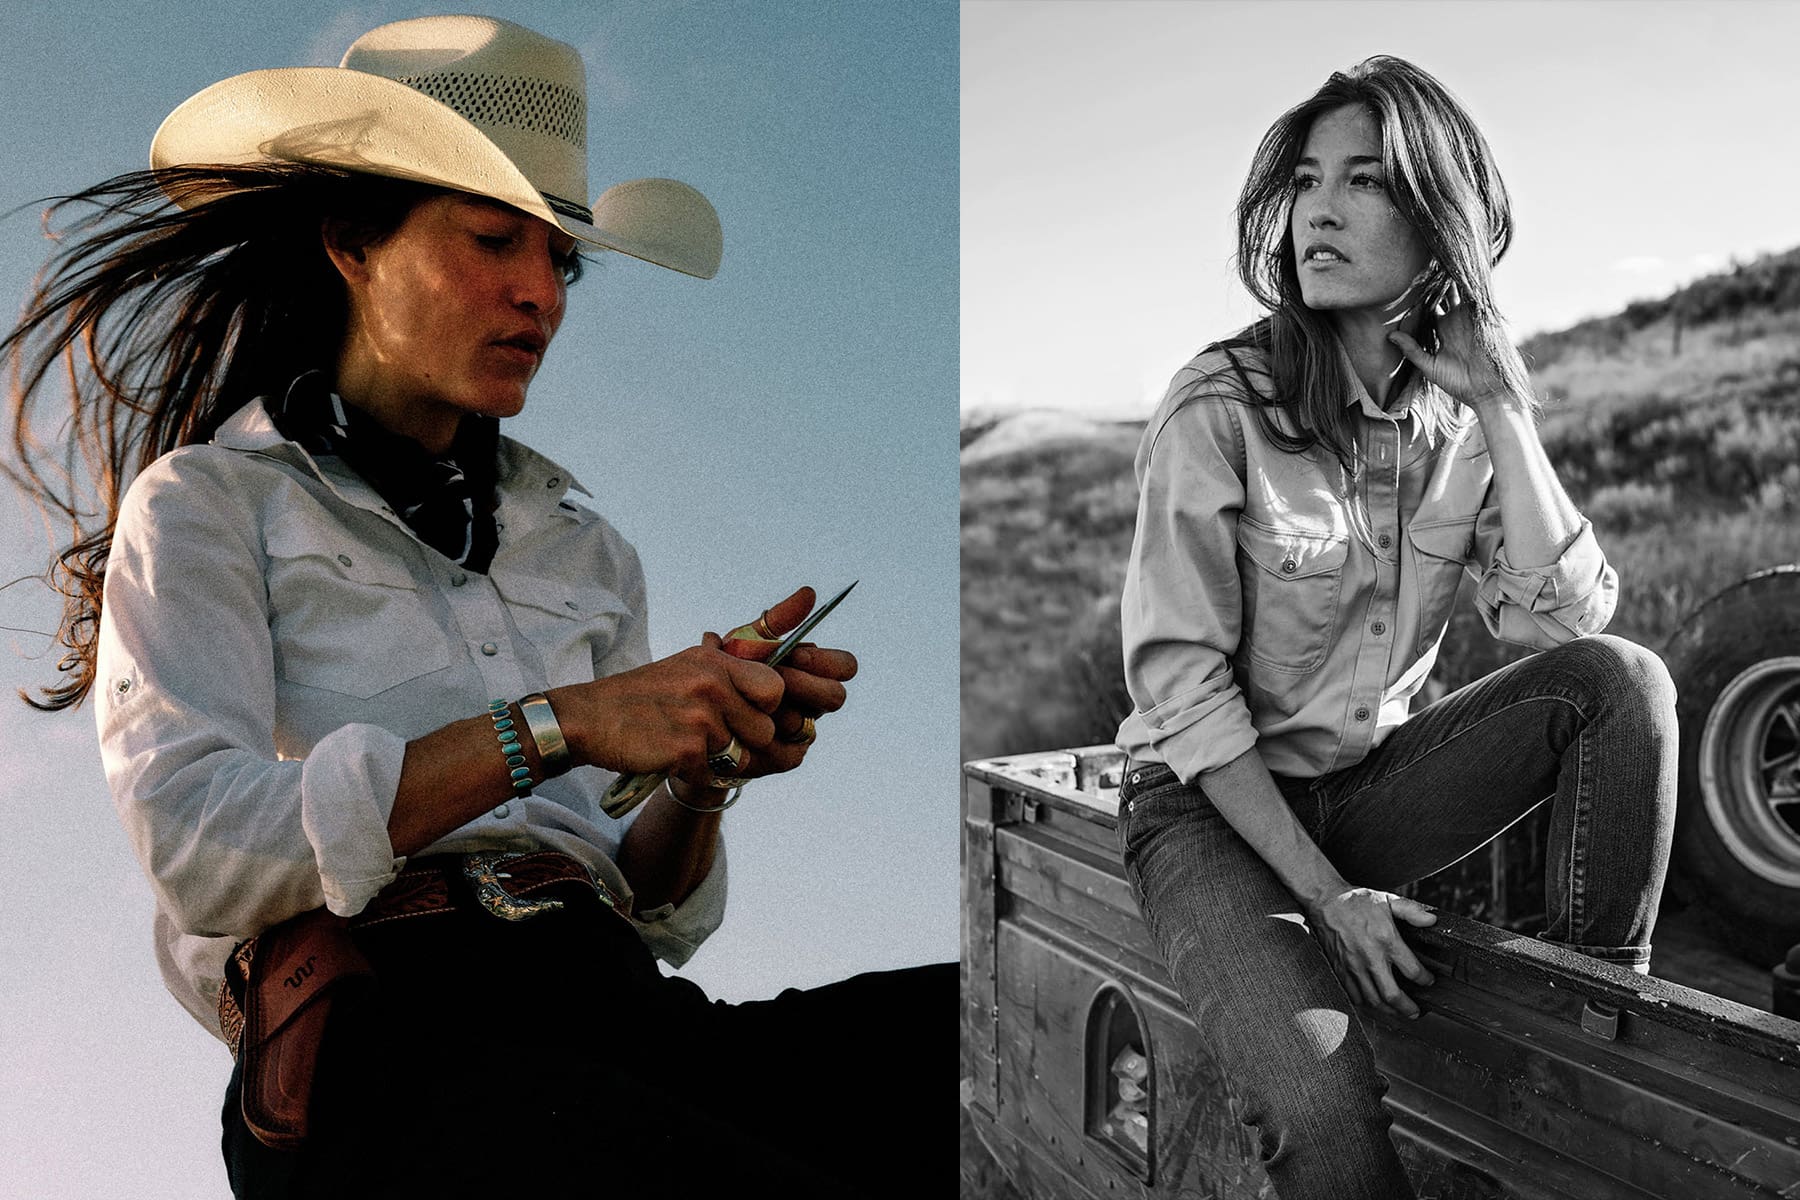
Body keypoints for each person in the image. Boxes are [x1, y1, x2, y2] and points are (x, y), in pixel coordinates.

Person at [3, 15, 947, 1198]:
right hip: (390, 1039)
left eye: (563, 259)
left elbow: (649, 906)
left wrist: (704, 772)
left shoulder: (588, 548)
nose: (540, 294)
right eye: (497, 241)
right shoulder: (204, 505)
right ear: (351, 241)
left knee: (990, 1033)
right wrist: (563, 722)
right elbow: (201, 843)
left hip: (614, 1007)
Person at [1113, 56, 1676, 1200]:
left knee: (1622, 683)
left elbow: (1563, 619)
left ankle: (1582, 1033)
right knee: (1319, 1112)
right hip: (1209, 811)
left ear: (1436, 228)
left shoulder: (1459, 425)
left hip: (1369, 786)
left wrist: (1503, 408)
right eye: (1307, 180)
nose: (1318, 208)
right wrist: (1330, 902)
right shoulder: (1219, 406)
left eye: (1363, 182)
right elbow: (1186, 695)